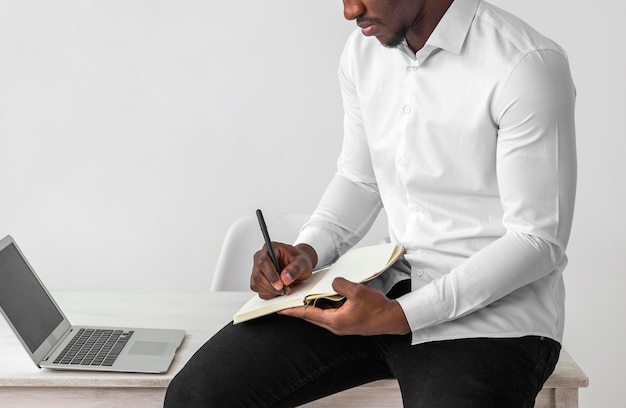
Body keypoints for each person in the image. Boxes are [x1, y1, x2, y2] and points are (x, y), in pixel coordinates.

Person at [165, 0, 576, 406]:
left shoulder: (526, 64)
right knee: (195, 396)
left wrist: (403, 316)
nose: (349, 11)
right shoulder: (364, 51)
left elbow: (536, 239)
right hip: (384, 290)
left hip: (493, 321)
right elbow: (361, 179)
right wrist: (307, 252)